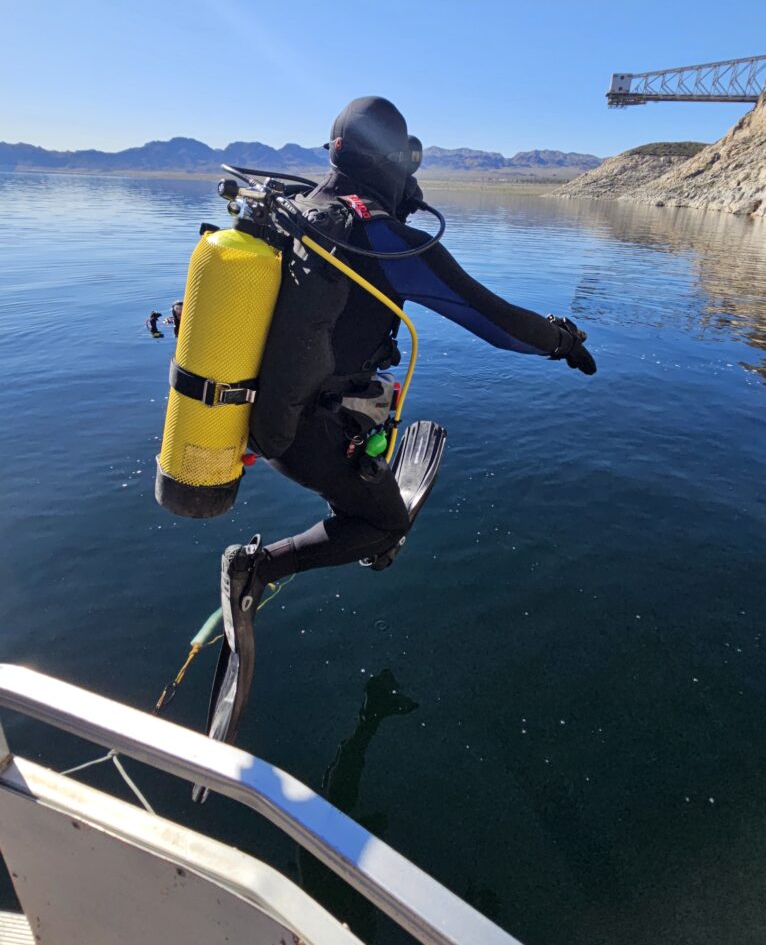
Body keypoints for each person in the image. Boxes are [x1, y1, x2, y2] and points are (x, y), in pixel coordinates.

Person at [196, 96, 597, 761]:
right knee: (385, 524)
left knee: (362, 468)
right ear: (392, 161)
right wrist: (561, 339)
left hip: (258, 410)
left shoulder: (299, 210)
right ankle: (255, 569)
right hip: (303, 429)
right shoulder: (377, 235)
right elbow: (495, 321)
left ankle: (354, 506)